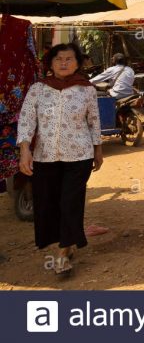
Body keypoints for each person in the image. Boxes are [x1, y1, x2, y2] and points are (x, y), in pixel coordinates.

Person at [17, 43, 103, 275]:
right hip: (45, 156)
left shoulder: (87, 89)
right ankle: (68, 240)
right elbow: (26, 120)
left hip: (79, 155)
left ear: (77, 63)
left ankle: (64, 252)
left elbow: (94, 121)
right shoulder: (38, 89)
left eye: (69, 59)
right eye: (59, 59)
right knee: (49, 203)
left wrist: (98, 149)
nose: (64, 63)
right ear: (51, 63)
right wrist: (25, 150)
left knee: (70, 202)